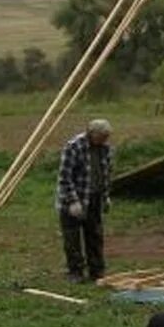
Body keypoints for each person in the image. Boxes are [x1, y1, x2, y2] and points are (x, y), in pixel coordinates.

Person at [56, 118, 114, 282]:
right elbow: (64, 177)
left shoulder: (106, 149)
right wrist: (73, 201)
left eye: (107, 137)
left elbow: (106, 174)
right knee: (72, 238)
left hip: (94, 198)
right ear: (91, 134)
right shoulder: (74, 146)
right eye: (102, 137)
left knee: (95, 236)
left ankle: (97, 271)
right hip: (73, 199)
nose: (105, 140)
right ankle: (75, 272)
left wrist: (105, 196)